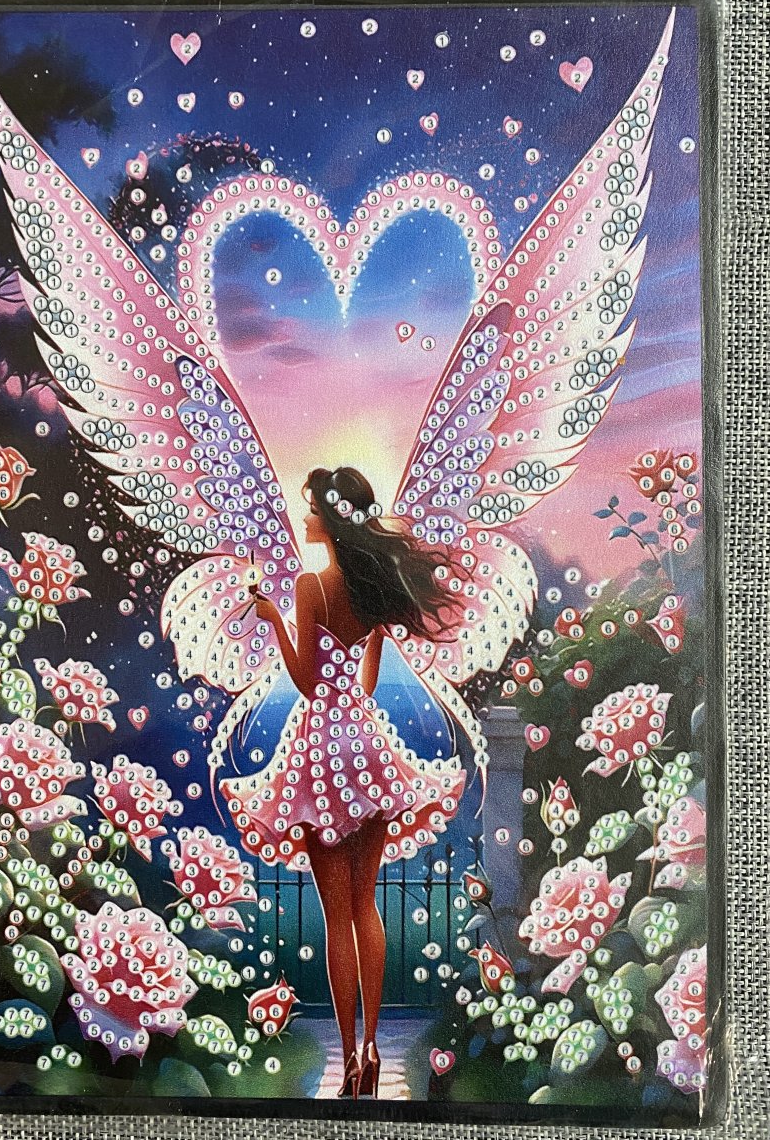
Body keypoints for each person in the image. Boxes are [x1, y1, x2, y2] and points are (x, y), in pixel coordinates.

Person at [219, 466, 468, 1099]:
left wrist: (275, 621)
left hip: (323, 747)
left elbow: (308, 682)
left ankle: (350, 1054)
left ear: (329, 518)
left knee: (337, 919)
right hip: (366, 740)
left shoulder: (311, 587)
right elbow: (367, 681)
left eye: (310, 508)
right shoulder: (373, 589)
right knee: (367, 905)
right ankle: (375, 1045)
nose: (304, 516)